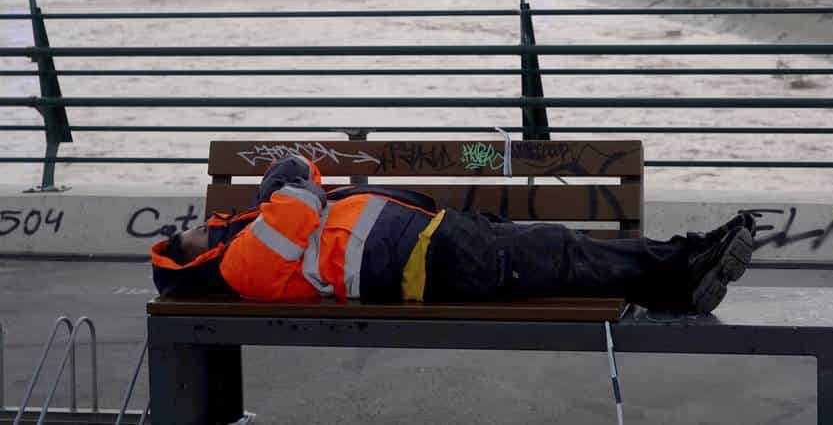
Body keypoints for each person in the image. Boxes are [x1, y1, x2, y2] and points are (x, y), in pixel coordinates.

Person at [152, 156, 755, 314]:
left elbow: (307, 205)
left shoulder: (256, 242)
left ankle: (684, 263)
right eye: (191, 238)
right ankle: (682, 271)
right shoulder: (242, 266)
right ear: (194, 264)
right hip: (428, 262)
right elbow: (298, 182)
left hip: (437, 242)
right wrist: (271, 191)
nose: (201, 227)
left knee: (555, 250)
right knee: (558, 252)